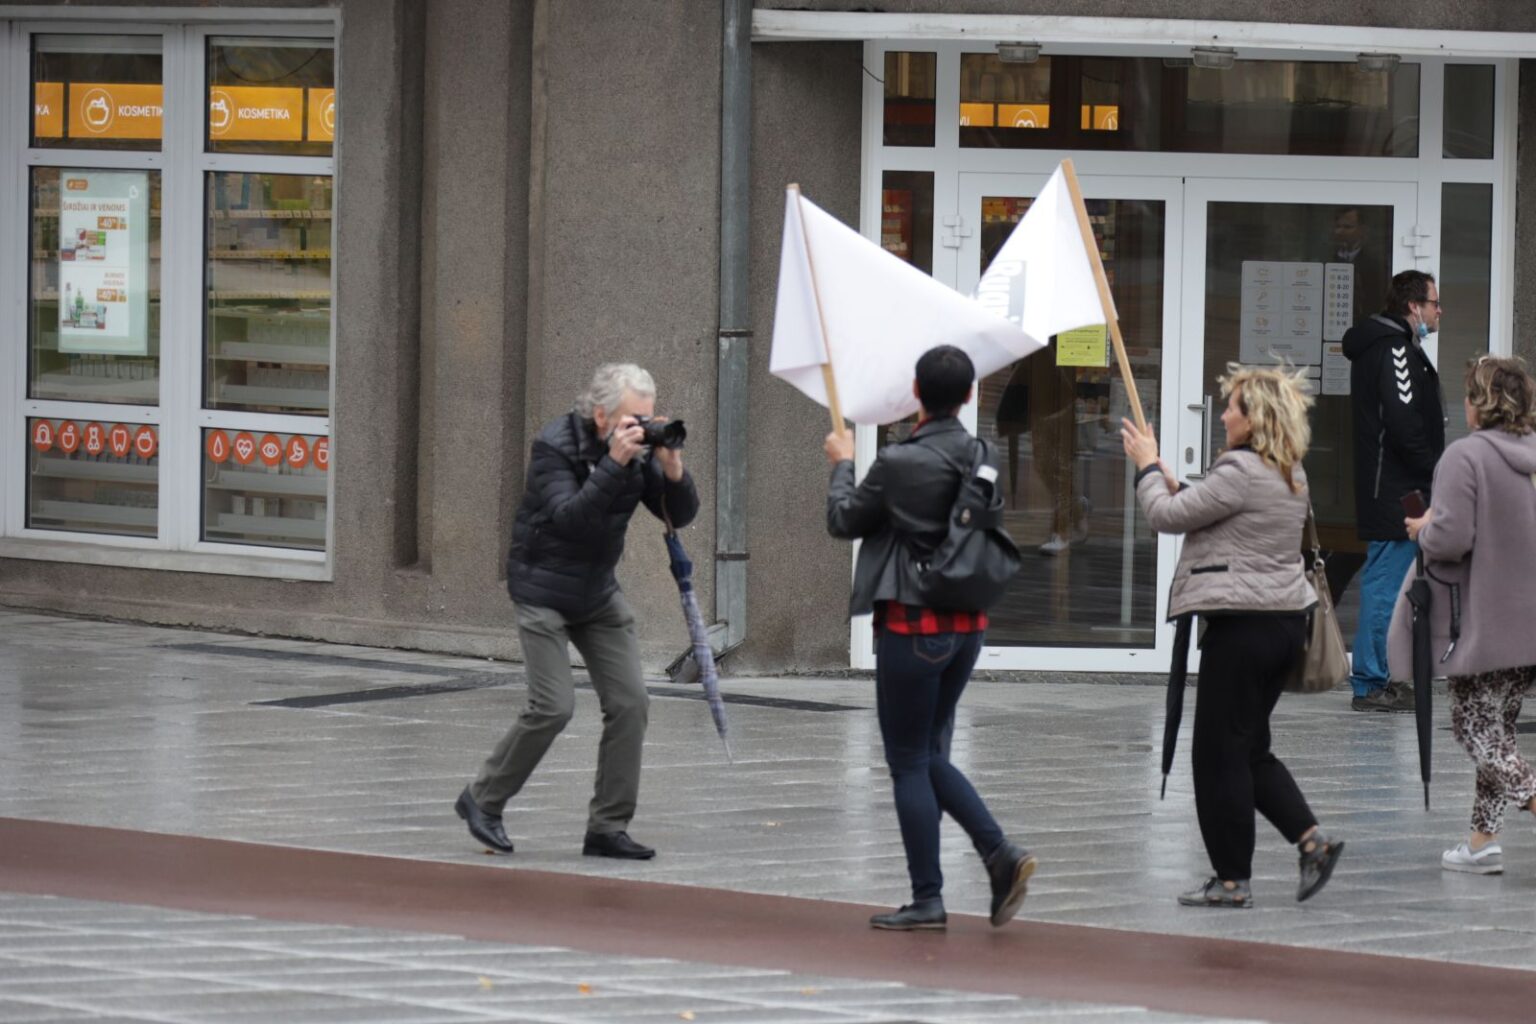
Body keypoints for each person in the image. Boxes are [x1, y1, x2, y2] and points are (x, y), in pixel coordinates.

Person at [823, 344, 1035, 932]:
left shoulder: (899, 462)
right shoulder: (982, 452)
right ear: (969, 396)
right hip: (967, 627)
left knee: (910, 758)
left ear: (916, 393)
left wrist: (842, 463)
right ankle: (991, 861)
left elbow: (844, 521)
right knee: (928, 751)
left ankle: (948, 884)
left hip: (914, 626)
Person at [455, 363, 698, 860]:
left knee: (631, 703)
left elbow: (680, 514)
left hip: (597, 592)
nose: (643, 428)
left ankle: (607, 827)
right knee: (553, 706)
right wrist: (613, 464)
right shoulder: (554, 446)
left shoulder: (637, 449)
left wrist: (673, 470)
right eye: (635, 418)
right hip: (542, 587)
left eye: (649, 418)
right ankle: (482, 799)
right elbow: (570, 518)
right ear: (602, 414)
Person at [1122, 366, 1344, 909]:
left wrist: (1148, 465)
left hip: (1242, 628)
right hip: (1282, 625)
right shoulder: (1289, 471)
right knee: (1249, 749)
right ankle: (1312, 841)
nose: (1223, 414)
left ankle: (1230, 880)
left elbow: (1164, 516)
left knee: (1218, 755)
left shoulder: (1239, 470)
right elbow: (1221, 514)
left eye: (1233, 407)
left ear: (1257, 418)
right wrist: (1179, 484)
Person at [1390, 356, 1536, 875]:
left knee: (1474, 728)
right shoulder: (1530, 454)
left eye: (1470, 395)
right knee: (1499, 731)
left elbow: (1451, 539)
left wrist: (1422, 530)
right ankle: (1481, 842)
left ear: (1483, 403)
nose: (1466, 405)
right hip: (1527, 618)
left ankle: (1531, 800)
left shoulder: (1465, 456)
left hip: (1480, 618)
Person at [1342, 270, 1446, 713]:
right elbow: (1404, 424)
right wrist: (1438, 470)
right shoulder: (1395, 350)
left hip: (1395, 486)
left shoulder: (1392, 346)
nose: (1439, 311)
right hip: (1396, 490)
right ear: (1413, 306)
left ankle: (1379, 675)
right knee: (1386, 584)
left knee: (1390, 581)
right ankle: (1369, 682)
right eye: (1434, 303)